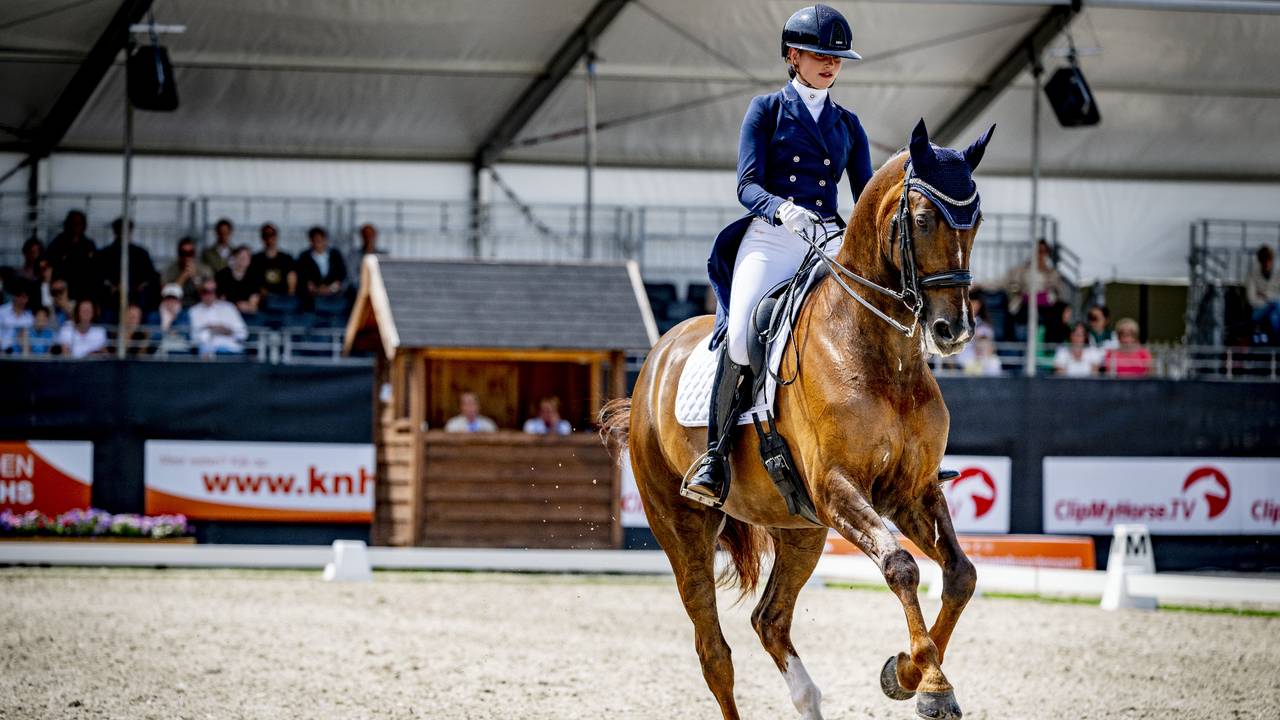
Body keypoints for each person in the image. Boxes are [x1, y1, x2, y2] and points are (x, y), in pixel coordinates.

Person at [686, 4, 873, 500]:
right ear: (793, 55)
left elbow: (867, 195)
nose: (830, 65)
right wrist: (781, 210)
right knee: (745, 333)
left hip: (826, 237)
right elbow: (746, 186)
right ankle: (715, 455)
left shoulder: (849, 125)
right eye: (818, 55)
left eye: (836, 58)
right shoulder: (766, 109)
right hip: (772, 236)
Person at [1004, 239, 1067, 338]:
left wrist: (1048, 296)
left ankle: (1049, 349)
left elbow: (1058, 291)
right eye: (1038, 251)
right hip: (1025, 302)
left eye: (1043, 252)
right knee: (1014, 316)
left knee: (1055, 318)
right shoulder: (1022, 270)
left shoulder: (1052, 273)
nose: (1040, 255)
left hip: (1045, 304)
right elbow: (1012, 285)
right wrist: (1019, 292)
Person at [96, 217, 160, 315]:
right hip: (112, 296)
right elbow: (99, 277)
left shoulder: (141, 253)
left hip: (136, 296)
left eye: (127, 230)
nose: (124, 234)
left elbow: (151, 276)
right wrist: (113, 287)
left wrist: (138, 287)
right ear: (115, 232)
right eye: (120, 230)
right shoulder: (104, 254)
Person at [187, 279, 248, 357]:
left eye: (212, 291)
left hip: (231, 350)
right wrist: (211, 330)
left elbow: (243, 334)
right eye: (205, 291)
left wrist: (226, 330)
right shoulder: (194, 311)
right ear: (200, 293)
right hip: (208, 352)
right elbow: (194, 337)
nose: (209, 295)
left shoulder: (229, 308)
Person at [45, 210, 97, 300]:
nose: (76, 226)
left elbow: (94, 266)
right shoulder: (58, 242)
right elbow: (50, 264)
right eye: (74, 223)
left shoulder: (88, 244)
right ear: (67, 224)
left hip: (83, 288)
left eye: (79, 223)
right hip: (63, 290)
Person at [296, 226, 347, 304]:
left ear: (325, 240)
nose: (318, 243)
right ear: (311, 241)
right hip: (312, 295)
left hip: (334, 292)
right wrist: (317, 289)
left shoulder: (335, 255)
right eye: (315, 240)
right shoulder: (304, 257)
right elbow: (303, 277)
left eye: (320, 240)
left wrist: (330, 289)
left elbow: (342, 274)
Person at [161, 236, 212, 307]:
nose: (187, 257)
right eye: (183, 253)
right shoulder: (169, 270)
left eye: (190, 253)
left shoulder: (204, 270)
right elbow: (167, 295)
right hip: (176, 307)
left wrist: (196, 278)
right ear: (179, 254)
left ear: (194, 254)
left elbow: (208, 296)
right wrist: (183, 277)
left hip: (199, 307)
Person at [250, 223, 297, 298]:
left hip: (283, 298)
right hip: (263, 299)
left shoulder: (286, 258)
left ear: (276, 237)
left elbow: (292, 279)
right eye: (266, 235)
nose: (269, 239)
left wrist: (290, 295)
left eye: (272, 235)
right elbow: (254, 281)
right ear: (262, 238)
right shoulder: (256, 259)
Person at [215, 245, 261, 316]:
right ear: (234, 257)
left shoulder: (254, 277)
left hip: (248, 315)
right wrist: (237, 306)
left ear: (249, 260)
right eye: (241, 257)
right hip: (226, 313)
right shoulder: (223, 275)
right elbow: (221, 301)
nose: (243, 260)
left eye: (246, 257)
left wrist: (246, 306)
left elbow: (253, 305)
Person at [1246, 245, 1280, 338]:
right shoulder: (1252, 276)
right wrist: (1270, 300)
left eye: (1269, 261)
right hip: (1258, 312)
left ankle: (1276, 346)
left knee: (1274, 316)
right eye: (1265, 261)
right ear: (1260, 261)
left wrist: (1265, 295)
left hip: (1274, 310)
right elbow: (1252, 300)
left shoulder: (1277, 274)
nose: (1267, 264)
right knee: (1276, 304)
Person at [150, 283, 191, 355]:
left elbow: (185, 333)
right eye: (168, 298)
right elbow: (153, 336)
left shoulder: (184, 314)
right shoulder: (154, 315)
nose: (171, 301)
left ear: (179, 300)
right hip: (160, 350)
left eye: (174, 298)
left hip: (180, 351)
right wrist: (169, 331)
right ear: (163, 299)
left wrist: (174, 317)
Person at [0, 280, 34, 353]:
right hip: (3, 352)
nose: (22, 300)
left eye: (25, 297)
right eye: (20, 296)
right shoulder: (2, 311)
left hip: (22, 354)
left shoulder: (30, 316)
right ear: (15, 296)